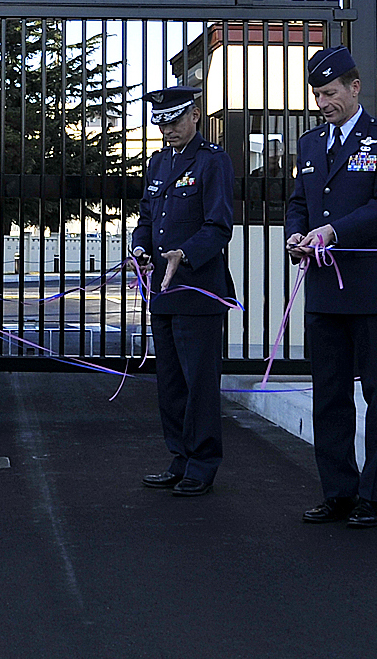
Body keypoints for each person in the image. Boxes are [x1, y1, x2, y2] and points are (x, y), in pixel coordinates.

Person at [286, 46, 377, 529]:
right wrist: (298, 234)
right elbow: (299, 201)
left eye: (331, 93)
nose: (323, 103)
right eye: (318, 95)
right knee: (329, 393)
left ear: (355, 88)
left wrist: (333, 232)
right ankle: (337, 490)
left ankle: (373, 495)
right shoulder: (312, 143)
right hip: (323, 288)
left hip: (373, 289)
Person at [131, 85, 235, 497]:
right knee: (171, 383)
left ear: (195, 115)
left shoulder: (213, 161)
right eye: (160, 123)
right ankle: (179, 457)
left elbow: (218, 225)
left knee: (200, 384)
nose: (167, 130)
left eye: (174, 121)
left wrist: (184, 255)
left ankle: (202, 462)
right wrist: (139, 246)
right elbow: (145, 216)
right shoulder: (158, 163)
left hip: (198, 291)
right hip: (164, 292)